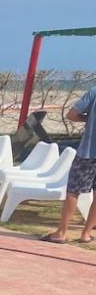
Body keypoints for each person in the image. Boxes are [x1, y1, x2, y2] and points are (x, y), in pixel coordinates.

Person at [43, 84, 96, 244]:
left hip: (88, 152)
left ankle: (61, 232)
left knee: (73, 191)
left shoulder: (94, 91)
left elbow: (72, 114)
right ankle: (86, 234)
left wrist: (88, 119)